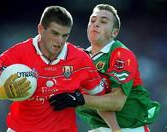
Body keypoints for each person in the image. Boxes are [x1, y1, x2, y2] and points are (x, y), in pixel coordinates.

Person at [0, 5, 110, 132]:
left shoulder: (81, 59)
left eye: (65, 35)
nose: (60, 41)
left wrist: (79, 98)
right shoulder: (14, 55)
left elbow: (104, 100)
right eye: (55, 33)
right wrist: (0, 92)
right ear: (40, 29)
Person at [48, 4, 161, 132]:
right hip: (101, 128)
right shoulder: (81, 58)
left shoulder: (120, 54)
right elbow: (97, 97)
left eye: (103, 21)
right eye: (93, 20)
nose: (95, 24)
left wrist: (79, 99)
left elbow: (117, 102)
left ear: (114, 32)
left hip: (129, 129)